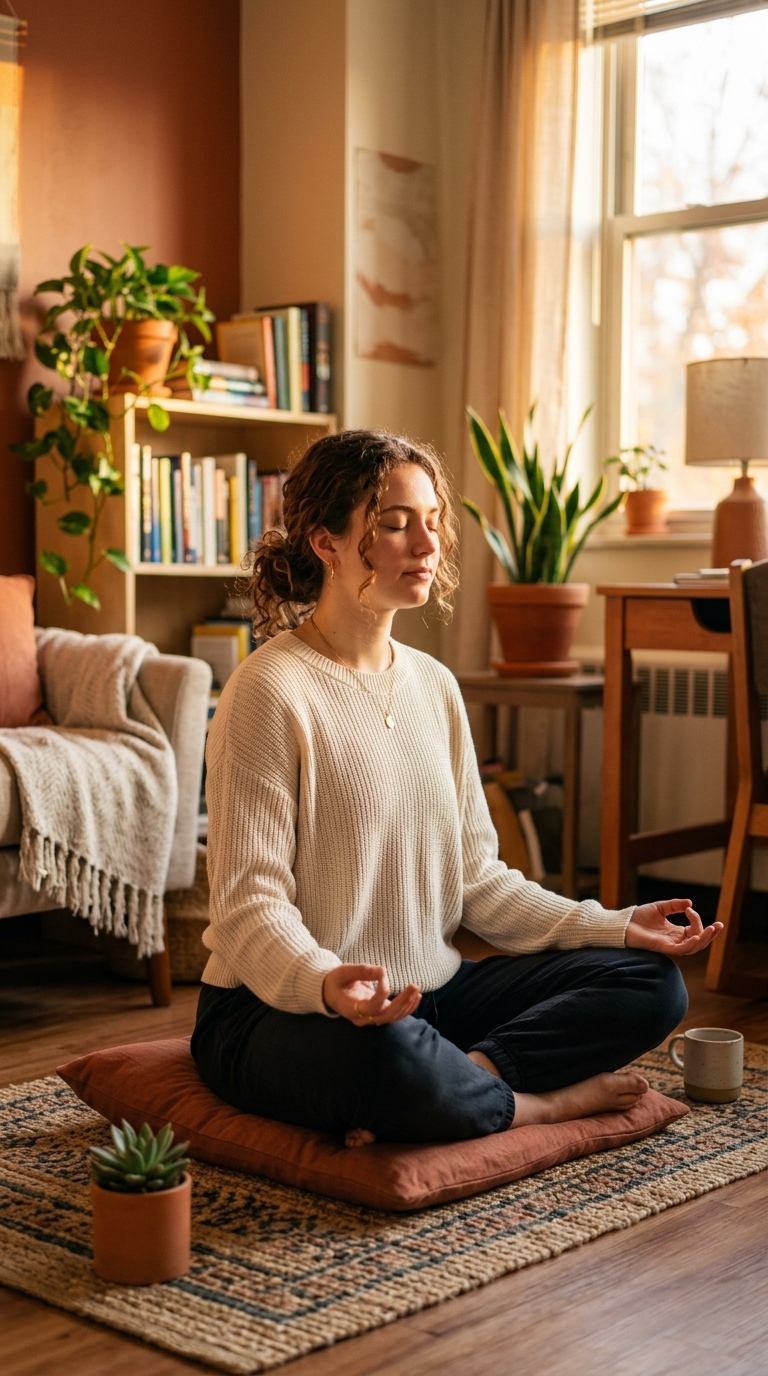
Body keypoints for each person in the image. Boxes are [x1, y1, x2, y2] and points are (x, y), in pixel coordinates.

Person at [192, 430, 721, 1147]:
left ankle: (462, 1083)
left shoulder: (434, 687)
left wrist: (617, 924)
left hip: (427, 998)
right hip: (279, 1009)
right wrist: (326, 983)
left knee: (652, 983)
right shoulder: (267, 690)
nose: (426, 543)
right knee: (382, 1056)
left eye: (433, 521)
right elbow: (249, 906)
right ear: (326, 542)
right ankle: (541, 1104)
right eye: (395, 523)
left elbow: (479, 883)